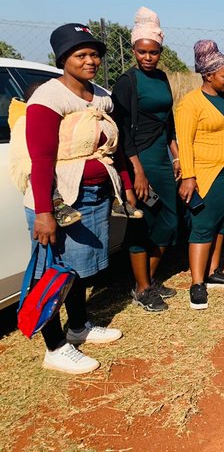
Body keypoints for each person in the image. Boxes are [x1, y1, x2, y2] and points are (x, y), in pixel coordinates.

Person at [20, 23, 127, 373]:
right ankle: (54, 347)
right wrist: (44, 211)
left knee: (77, 271)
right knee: (50, 270)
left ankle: (78, 326)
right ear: (63, 59)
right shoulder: (49, 98)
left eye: (95, 54)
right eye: (81, 55)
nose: (91, 61)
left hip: (91, 195)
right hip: (58, 199)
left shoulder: (98, 96)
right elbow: (42, 159)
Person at [111, 7, 180, 312]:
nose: (148, 58)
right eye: (142, 52)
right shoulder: (128, 81)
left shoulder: (163, 77)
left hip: (163, 159)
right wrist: (137, 171)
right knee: (144, 222)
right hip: (140, 160)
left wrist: (177, 157)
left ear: (160, 51)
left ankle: (148, 280)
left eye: (153, 52)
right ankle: (142, 287)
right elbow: (122, 130)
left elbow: (170, 121)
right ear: (134, 50)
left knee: (168, 220)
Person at [177, 41, 224, 310]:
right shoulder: (190, 104)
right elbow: (184, 141)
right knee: (203, 227)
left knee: (221, 224)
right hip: (204, 175)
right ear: (208, 75)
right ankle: (197, 283)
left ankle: (214, 272)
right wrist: (188, 177)